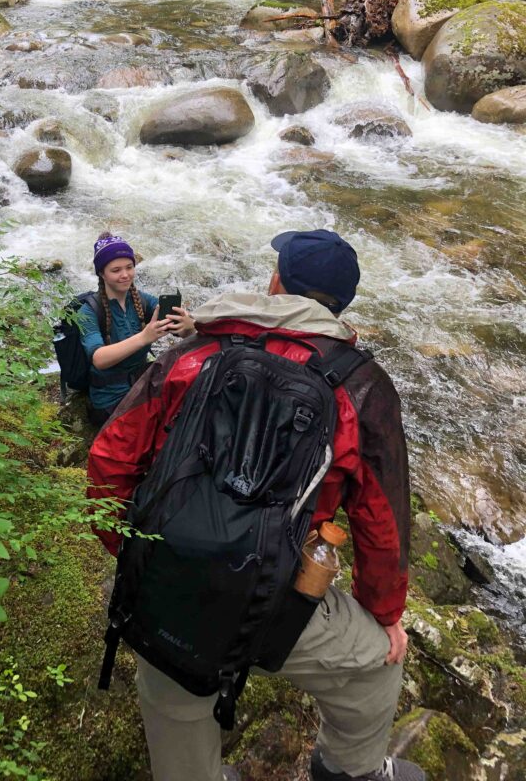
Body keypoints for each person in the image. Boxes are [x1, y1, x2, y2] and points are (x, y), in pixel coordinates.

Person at [87, 228, 424, 781]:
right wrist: (385, 617)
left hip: (163, 581)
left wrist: (138, 554)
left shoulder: (191, 354)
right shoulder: (360, 385)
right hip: (274, 598)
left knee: (175, 702)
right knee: (376, 665)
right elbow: (381, 522)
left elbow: (109, 462)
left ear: (275, 284)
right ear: (342, 306)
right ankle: (349, 771)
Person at [79, 232, 194, 428]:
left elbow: (181, 329)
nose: (125, 275)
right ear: (101, 274)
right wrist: (144, 337)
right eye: (116, 270)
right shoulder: (88, 311)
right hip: (110, 399)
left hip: (142, 383)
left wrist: (187, 326)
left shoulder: (141, 300)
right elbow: (99, 359)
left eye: (129, 267)